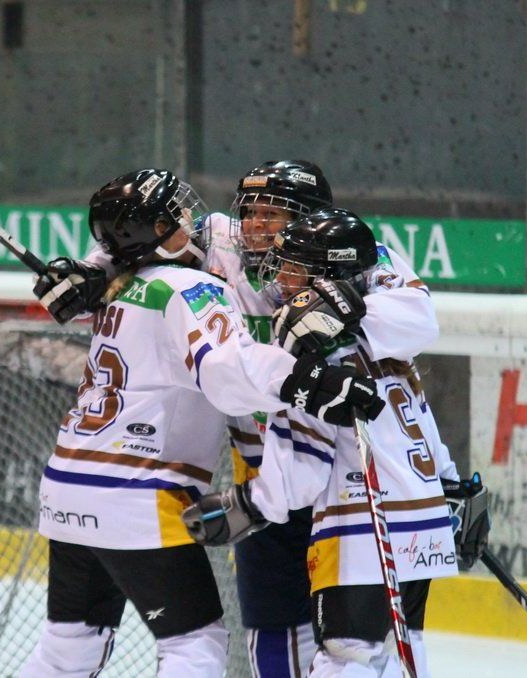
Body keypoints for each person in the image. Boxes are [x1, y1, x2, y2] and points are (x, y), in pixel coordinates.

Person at [34, 160, 452, 677]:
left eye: (273, 214)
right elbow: (140, 236)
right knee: (277, 630)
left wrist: (350, 309)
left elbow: (419, 318)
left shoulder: (356, 255)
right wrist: (94, 270)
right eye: (249, 211)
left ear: (312, 220)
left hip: (330, 478)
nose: (254, 225)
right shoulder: (220, 242)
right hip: (266, 471)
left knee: (367, 644)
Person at [182, 208, 490, 677]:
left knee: (346, 659)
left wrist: (246, 503)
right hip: (421, 527)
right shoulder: (386, 347)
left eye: (292, 268)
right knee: (401, 655)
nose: (279, 278)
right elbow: (422, 424)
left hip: (361, 532)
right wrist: (451, 486)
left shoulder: (317, 358)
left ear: (326, 277)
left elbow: (302, 468)